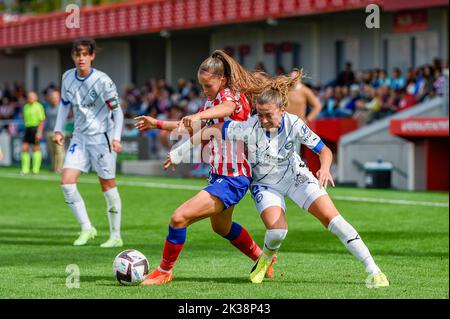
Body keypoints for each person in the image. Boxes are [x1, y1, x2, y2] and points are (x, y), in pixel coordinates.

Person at [166, 73, 389, 288]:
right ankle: (265, 258)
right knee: (277, 232)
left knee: (334, 221)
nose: (263, 120)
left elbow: (325, 151)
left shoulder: (295, 124)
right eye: (259, 114)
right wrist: (180, 152)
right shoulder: (248, 126)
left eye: (268, 115)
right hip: (265, 184)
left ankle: (374, 271)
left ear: (282, 110)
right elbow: (212, 129)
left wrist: (324, 168)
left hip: (296, 177)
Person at [134, 50, 274, 285]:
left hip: (233, 177)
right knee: (221, 226)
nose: (204, 90)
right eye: (201, 86)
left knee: (179, 218)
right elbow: (191, 126)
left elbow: (226, 109)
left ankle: (164, 271)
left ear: (222, 80)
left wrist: (199, 116)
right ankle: (263, 259)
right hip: (221, 176)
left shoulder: (232, 96)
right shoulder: (212, 100)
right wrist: (156, 123)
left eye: (208, 85)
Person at [53, 38, 124, 248]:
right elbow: (65, 105)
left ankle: (115, 235)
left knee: (107, 185)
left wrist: (116, 138)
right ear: (73, 56)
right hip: (79, 137)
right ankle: (86, 228)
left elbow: (117, 111)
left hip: (102, 138)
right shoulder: (67, 77)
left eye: (85, 54)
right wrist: (58, 129)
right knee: (66, 182)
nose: (81, 58)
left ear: (92, 56)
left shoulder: (103, 81)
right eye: (77, 54)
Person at [21, 91, 45, 175]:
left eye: (32, 97)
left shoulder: (39, 106)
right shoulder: (25, 107)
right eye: (29, 97)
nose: (30, 98)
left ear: (36, 98)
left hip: (35, 128)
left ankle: (35, 170)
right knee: (24, 148)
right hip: (28, 128)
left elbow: (41, 120)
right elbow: (24, 117)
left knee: (36, 148)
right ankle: (25, 170)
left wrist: (39, 132)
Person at [45, 90, 65, 173]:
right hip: (49, 131)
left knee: (59, 151)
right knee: (52, 151)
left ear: (59, 97)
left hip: (59, 132)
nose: (53, 99)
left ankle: (60, 168)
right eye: (52, 97)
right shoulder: (48, 107)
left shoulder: (62, 107)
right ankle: (53, 168)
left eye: (55, 97)